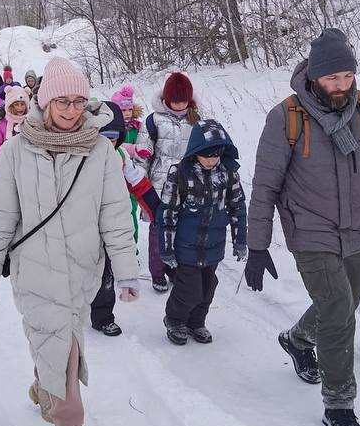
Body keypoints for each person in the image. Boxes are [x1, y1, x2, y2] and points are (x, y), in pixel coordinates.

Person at [0, 57, 140, 426]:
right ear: (44, 102)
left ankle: (42, 383)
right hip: (33, 271)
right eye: (62, 101)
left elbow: (115, 216)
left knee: (56, 341)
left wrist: (126, 271)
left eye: (79, 101)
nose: (71, 110)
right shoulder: (15, 152)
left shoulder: (101, 152)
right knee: (61, 348)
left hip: (82, 272)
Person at [245, 28, 360, 426]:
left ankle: (298, 339)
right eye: (332, 78)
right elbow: (265, 185)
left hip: (353, 226)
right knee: (339, 310)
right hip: (308, 229)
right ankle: (339, 403)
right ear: (314, 76)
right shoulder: (287, 117)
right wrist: (257, 244)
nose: (341, 85)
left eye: (347, 76)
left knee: (348, 297)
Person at [159, 120, 246, 345]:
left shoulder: (228, 174)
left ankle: (196, 321)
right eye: (206, 155)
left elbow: (238, 207)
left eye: (216, 155)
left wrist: (240, 240)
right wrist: (166, 248)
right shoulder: (180, 174)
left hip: (213, 245)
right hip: (186, 245)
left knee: (208, 288)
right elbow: (167, 212)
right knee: (189, 289)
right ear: (195, 150)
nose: (211, 160)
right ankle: (175, 320)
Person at [89, 100, 160, 337]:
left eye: (113, 138)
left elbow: (138, 182)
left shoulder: (120, 156)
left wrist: (157, 211)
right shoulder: (82, 155)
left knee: (106, 273)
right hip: (81, 225)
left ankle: (103, 316)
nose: (107, 143)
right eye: (102, 137)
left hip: (110, 225)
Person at [135, 72, 202, 293]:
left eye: (184, 100)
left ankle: (176, 269)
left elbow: (203, 152)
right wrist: (141, 186)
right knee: (159, 231)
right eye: (176, 100)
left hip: (187, 186)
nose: (180, 105)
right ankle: (158, 272)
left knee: (183, 231)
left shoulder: (196, 119)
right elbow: (142, 156)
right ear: (166, 98)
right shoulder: (153, 121)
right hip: (159, 187)